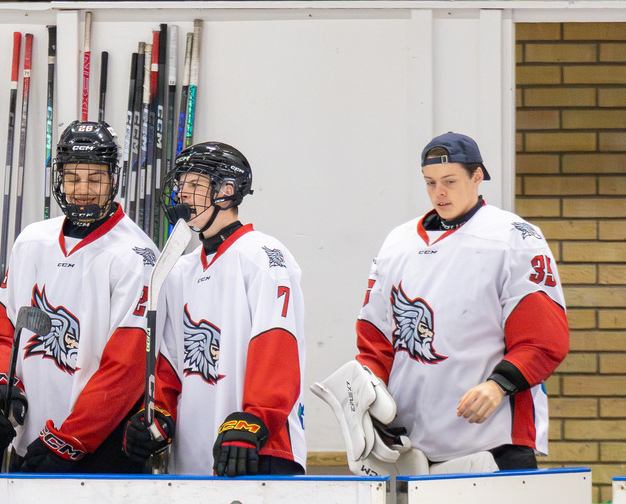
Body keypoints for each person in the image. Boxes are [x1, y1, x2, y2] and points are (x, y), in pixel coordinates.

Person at [315, 132, 568, 475]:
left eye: (450, 181)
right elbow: (375, 340)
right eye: (430, 183)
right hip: (410, 449)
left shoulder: (514, 238)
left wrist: (499, 385)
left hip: (493, 441)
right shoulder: (397, 242)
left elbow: (543, 338)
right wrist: (367, 396)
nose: (440, 192)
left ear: (477, 176)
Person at [0, 120, 157, 474]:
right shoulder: (31, 241)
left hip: (101, 444)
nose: (82, 190)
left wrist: (71, 438)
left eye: (95, 178)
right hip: (30, 437)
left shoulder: (135, 255)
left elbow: (126, 368)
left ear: (113, 179)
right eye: (73, 177)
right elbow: (5, 331)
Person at [124, 141, 308, 477]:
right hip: (192, 460)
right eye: (182, 185)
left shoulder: (263, 256)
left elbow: (278, 346)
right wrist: (159, 415)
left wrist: (256, 417)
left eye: (194, 185)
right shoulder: (178, 270)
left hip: (258, 450)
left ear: (226, 192)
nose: (182, 194)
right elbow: (170, 362)